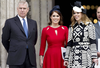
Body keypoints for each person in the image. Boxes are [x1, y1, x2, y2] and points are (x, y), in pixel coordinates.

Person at [2, 1, 37, 68]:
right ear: (17, 9)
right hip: (15, 58)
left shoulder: (33, 23)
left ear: (28, 9)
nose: (22, 10)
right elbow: (4, 39)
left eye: (24, 8)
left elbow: (34, 40)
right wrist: (13, 50)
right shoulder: (10, 22)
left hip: (30, 58)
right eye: (20, 8)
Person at [64, 1, 98, 68]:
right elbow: (69, 43)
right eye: (74, 13)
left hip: (86, 56)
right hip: (73, 56)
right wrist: (66, 58)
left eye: (78, 13)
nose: (75, 15)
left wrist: (94, 57)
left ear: (82, 13)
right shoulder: (72, 26)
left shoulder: (89, 25)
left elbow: (93, 42)